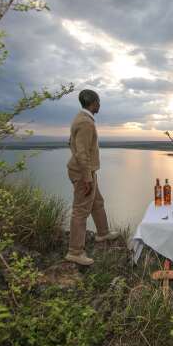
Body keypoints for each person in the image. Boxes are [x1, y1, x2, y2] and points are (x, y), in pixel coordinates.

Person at [65, 89, 119, 266]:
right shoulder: (85, 122)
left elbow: (71, 143)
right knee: (81, 210)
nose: (100, 105)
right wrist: (87, 177)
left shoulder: (80, 119)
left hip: (86, 171)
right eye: (98, 101)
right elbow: (82, 152)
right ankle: (75, 251)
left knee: (97, 202)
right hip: (83, 173)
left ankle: (103, 233)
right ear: (93, 103)